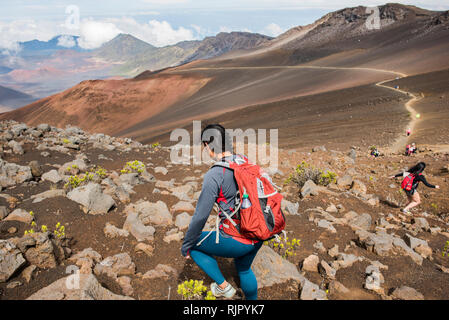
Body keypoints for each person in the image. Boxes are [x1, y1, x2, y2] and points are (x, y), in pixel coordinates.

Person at [181, 124, 263, 300]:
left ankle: (224, 287)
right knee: (244, 269)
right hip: (258, 233)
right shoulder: (244, 161)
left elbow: (201, 216)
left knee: (193, 244)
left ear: (207, 145)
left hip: (238, 238)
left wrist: (186, 245)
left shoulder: (215, 174)